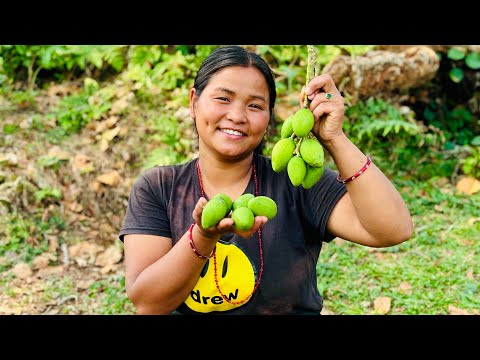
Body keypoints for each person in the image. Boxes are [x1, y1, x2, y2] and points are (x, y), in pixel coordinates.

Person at [119, 45, 413, 315]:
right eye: (223, 98)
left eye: (255, 106)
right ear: (194, 101)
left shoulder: (295, 182)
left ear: (269, 116)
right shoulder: (160, 187)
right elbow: (148, 303)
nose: (236, 115)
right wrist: (203, 237)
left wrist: (335, 139)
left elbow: (393, 230)